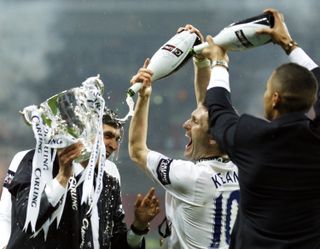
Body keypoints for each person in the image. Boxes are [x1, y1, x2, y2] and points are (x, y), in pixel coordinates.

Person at [202, 8, 320, 249]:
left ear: (275, 98)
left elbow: (218, 110)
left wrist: (219, 61)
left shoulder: (251, 137)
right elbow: (218, 107)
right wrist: (289, 44)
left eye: (267, 90)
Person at [128, 25, 239, 249]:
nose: (185, 125)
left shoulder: (191, 177)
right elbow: (207, 109)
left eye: (194, 122)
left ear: (212, 139)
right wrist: (199, 57)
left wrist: (144, 97)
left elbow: (137, 151)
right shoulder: (241, 166)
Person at [4, 109, 160, 249]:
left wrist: (138, 227)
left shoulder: (110, 176)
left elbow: (113, 240)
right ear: (86, 133)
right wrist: (62, 178)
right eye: (108, 136)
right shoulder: (38, 160)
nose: (114, 145)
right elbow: (24, 218)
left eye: (118, 139)